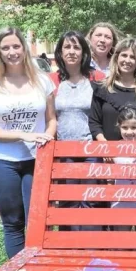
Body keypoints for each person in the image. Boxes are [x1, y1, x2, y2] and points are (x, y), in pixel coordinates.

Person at [0, 27, 56, 258]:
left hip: (36, 160)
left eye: (16, 46)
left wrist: (48, 136)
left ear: (24, 48)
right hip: (1, 162)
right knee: (13, 223)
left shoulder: (42, 82)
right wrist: (22, 134)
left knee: (37, 221)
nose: (11, 52)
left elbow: (51, 119)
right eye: (5, 48)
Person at [49, 31, 100, 230]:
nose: (72, 52)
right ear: (60, 53)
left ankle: (89, 249)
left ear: (84, 52)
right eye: (67, 47)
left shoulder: (95, 80)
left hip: (90, 151)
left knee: (90, 201)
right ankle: (67, 248)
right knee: (67, 201)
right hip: (64, 152)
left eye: (76, 47)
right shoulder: (51, 81)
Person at [89, 38, 136, 145]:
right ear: (117, 57)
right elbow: (94, 123)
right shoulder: (102, 88)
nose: (127, 60)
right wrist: (105, 146)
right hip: (107, 155)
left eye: (132, 57)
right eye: (124, 55)